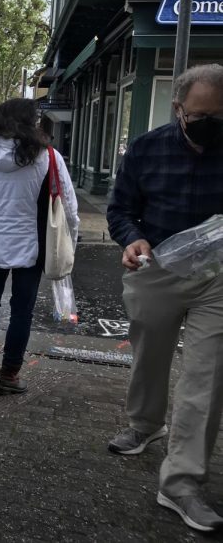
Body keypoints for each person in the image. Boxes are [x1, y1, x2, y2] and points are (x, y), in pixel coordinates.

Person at [105, 64, 223, 533]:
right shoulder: (147, 148)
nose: (210, 125)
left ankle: (181, 482)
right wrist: (131, 239)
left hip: (217, 277)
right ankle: (145, 422)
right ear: (179, 109)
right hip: (154, 268)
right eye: (201, 115)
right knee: (149, 356)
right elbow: (120, 209)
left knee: (207, 375)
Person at [0, 99, 78, 393]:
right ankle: (9, 375)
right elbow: (69, 207)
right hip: (33, 244)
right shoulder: (48, 156)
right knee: (22, 310)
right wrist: (71, 242)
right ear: (31, 122)